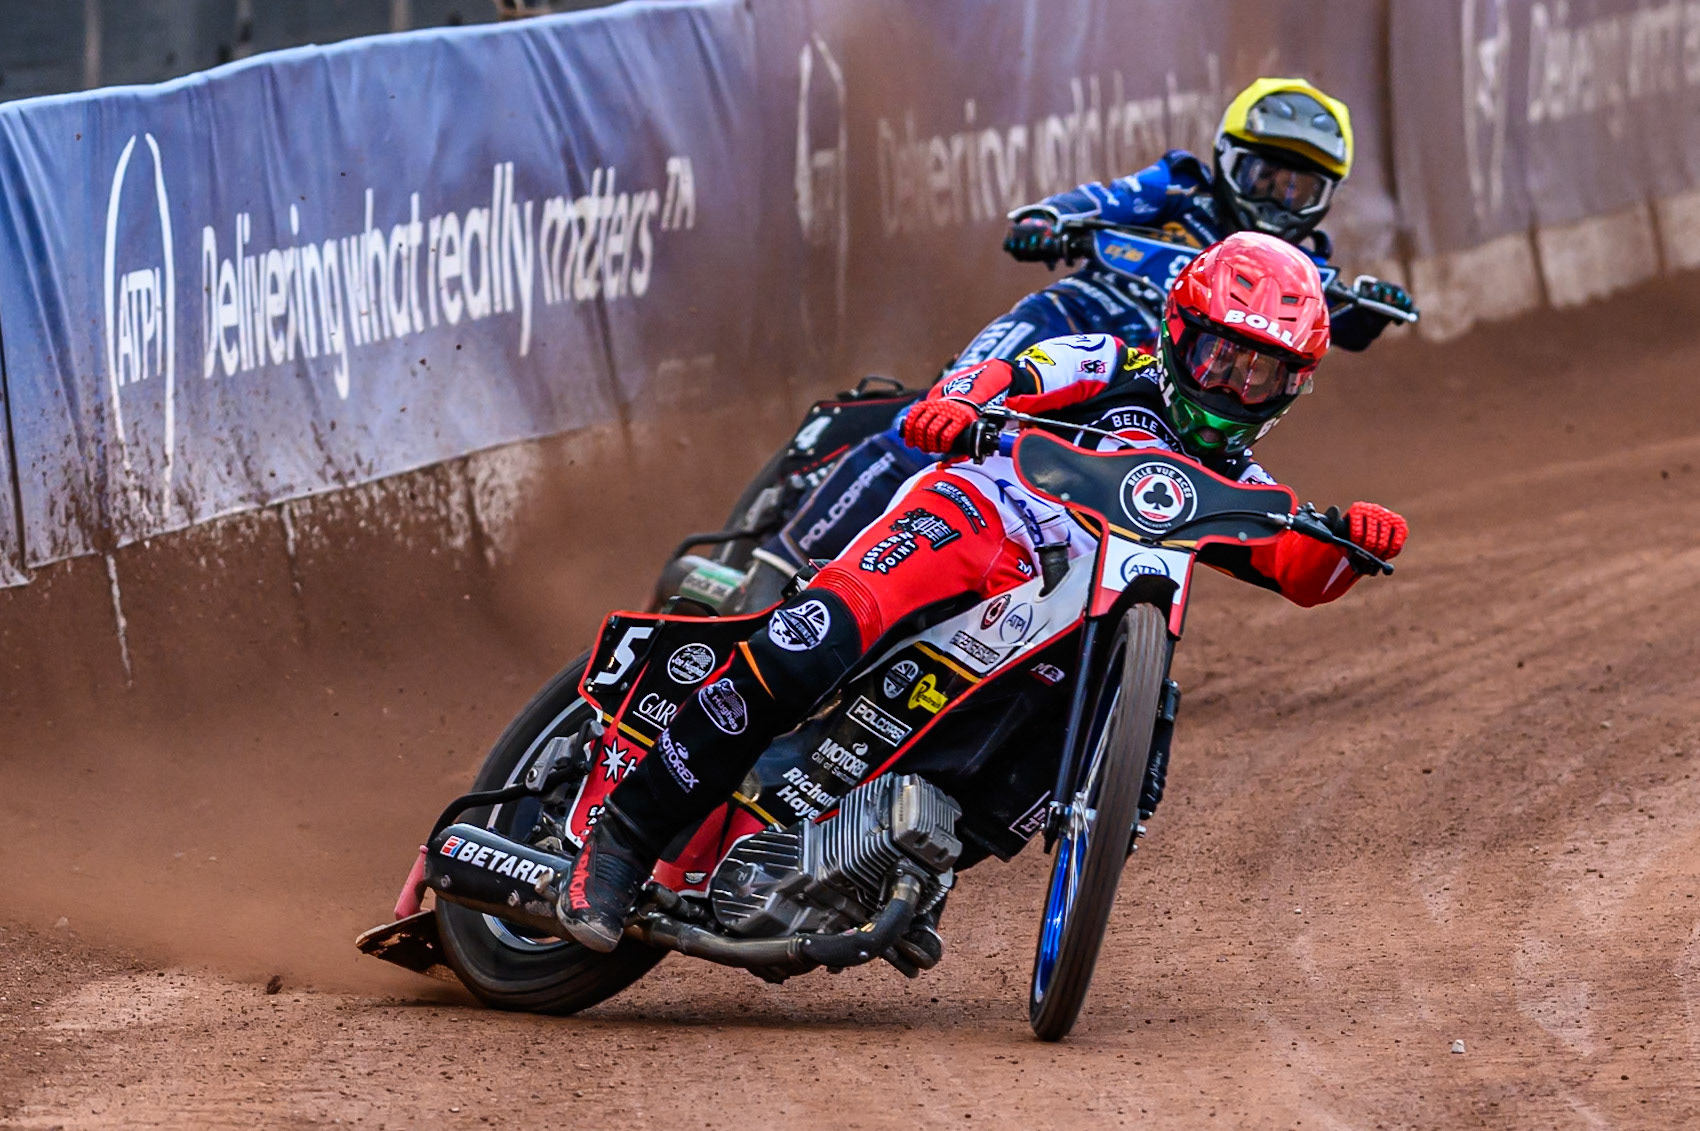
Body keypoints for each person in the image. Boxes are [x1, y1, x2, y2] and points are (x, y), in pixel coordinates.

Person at [559, 231, 1409, 952]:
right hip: (979, 518)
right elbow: (1016, 376)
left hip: (1061, 615)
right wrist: (959, 403)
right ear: (1179, 332)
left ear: (1290, 388)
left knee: (1038, 742)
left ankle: (884, 857)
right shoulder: (1112, 362)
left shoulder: (1237, 482)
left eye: (1259, 374)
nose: (1232, 386)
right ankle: (622, 840)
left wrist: (1354, 542)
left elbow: (1300, 567)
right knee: (815, 637)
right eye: (1220, 355)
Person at [759, 77, 1414, 578]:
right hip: (1067, 328)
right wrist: (1054, 217)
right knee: (945, 414)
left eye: (1297, 189)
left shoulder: (1308, 268)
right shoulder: (1181, 190)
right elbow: (1106, 200)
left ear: (1327, 196)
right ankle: (786, 561)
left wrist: (1368, 309)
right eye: (1262, 175)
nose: (1275, 199)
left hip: (1156, 390)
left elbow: (1329, 324)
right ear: (1224, 160)